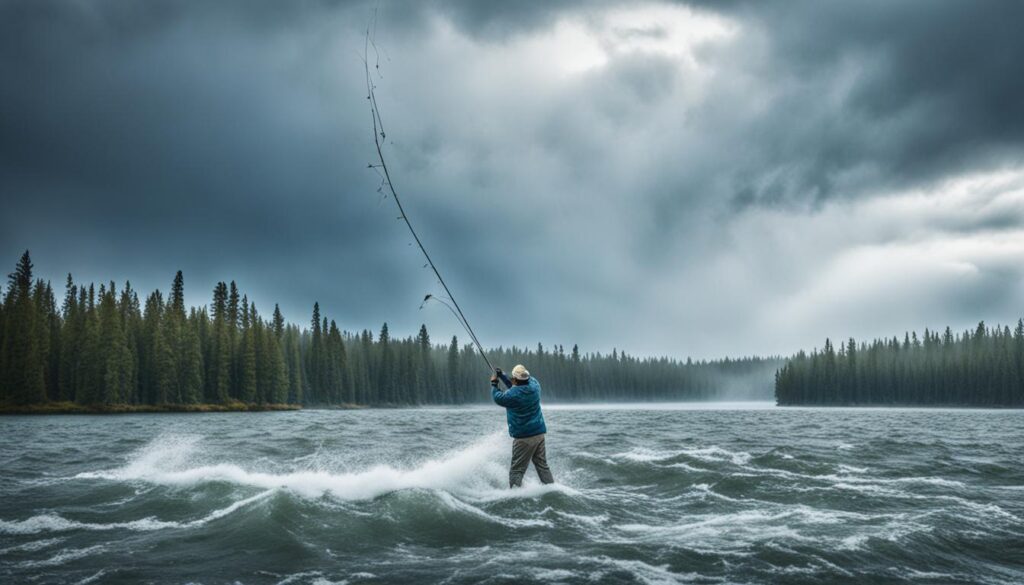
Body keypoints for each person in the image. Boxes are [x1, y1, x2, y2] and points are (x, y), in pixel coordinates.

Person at [490, 364, 554, 488]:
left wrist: (494, 383)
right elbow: (516, 386)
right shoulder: (535, 386)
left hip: (524, 438)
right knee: (542, 465)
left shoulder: (513, 395)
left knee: (516, 470)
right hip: (539, 434)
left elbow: (498, 397)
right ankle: (552, 488)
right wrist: (502, 375)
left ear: (515, 379)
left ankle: (515, 497)